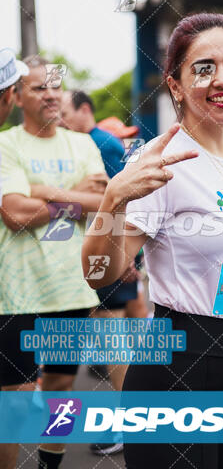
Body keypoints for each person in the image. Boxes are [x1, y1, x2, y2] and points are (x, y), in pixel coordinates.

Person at [82, 13, 223, 469]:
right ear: (175, 85)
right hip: (177, 366)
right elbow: (98, 274)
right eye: (203, 67)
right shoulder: (162, 161)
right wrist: (113, 199)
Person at [0, 56, 107, 469]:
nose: (50, 94)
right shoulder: (6, 144)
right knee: (16, 398)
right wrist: (74, 194)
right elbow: (15, 215)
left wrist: (44, 190)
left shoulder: (82, 143)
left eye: (56, 87)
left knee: (63, 389)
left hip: (70, 288)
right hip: (19, 293)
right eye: (39, 87)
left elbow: (102, 204)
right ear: (17, 96)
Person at [60, 89, 147, 456]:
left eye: (64, 111)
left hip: (110, 260)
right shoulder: (79, 145)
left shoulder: (104, 145)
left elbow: (128, 200)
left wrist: (129, 257)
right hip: (94, 258)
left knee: (114, 344)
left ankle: (133, 426)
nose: (59, 118)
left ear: (84, 110)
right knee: (118, 343)